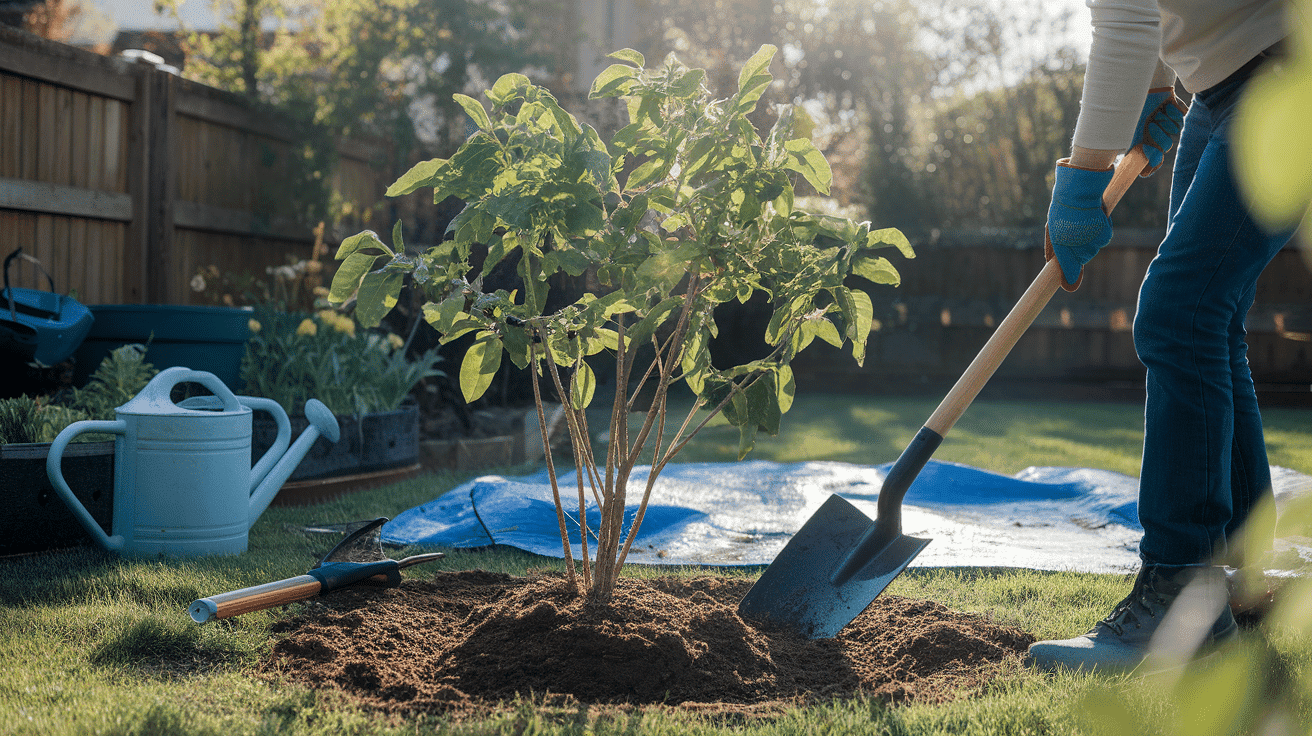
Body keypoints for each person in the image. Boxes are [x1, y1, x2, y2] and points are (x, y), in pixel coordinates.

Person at [1026, 0, 1295, 673]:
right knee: (1209, 320)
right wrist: (1153, 86)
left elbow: (1124, 17)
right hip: (1223, 87)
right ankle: (1238, 583)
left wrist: (1084, 178)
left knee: (1179, 315)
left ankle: (1181, 596)